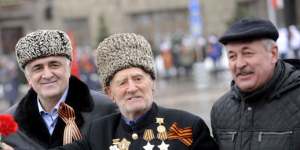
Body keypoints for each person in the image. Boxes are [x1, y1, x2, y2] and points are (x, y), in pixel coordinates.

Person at [52, 33, 218, 150]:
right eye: (122, 82)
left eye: (138, 79)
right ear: (110, 93)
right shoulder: (98, 132)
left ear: (152, 82)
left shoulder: (187, 126)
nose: (132, 88)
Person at [2, 30, 116, 150]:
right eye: (38, 68)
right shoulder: (9, 124)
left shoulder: (105, 110)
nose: (47, 74)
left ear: (69, 67)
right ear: (28, 77)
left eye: (54, 65)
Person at [211, 18, 300, 150]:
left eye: (247, 53)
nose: (240, 64)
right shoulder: (220, 110)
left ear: (273, 54)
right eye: (232, 56)